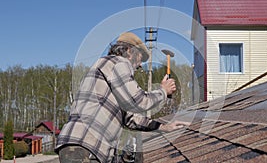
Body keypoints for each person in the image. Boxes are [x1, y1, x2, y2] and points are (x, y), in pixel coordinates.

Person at [55, 32, 189, 163]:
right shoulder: (118, 63)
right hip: (84, 144)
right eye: (140, 58)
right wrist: (163, 91)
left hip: (85, 147)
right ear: (130, 51)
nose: (141, 64)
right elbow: (138, 101)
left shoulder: (110, 70)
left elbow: (130, 118)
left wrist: (162, 127)